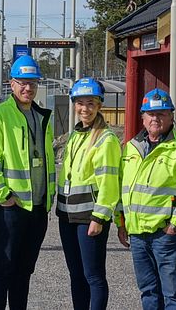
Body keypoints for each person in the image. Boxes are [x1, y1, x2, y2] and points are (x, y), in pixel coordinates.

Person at [115, 88, 176, 310]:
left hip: (165, 235)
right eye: (151, 114)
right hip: (137, 235)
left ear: (171, 116)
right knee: (148, 292)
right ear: (143, 118)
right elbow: (121, 189)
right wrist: (121, 222)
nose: (155, 118)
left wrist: (175, 225)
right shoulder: (130, 149)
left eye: (162, 114)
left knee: (172, 294)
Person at [0, 55, 55, 310]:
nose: (28, 88)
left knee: (24, 270)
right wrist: (3, 195)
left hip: (37, 206)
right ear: (12, 84)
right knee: (3, 267)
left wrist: (48, 198)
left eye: (33, 83)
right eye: (23, 82)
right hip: (9, 207)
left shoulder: (43, 116)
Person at [57, 77, 121, 310]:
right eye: (81, 103)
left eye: (91, 103)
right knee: (76, 275)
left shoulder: (106, 139)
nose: (85, 108)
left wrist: (99, 217)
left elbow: (109, 183)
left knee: (93, 276)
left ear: (100, 105)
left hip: (89, 218)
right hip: (67, 215)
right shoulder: (75, 136)